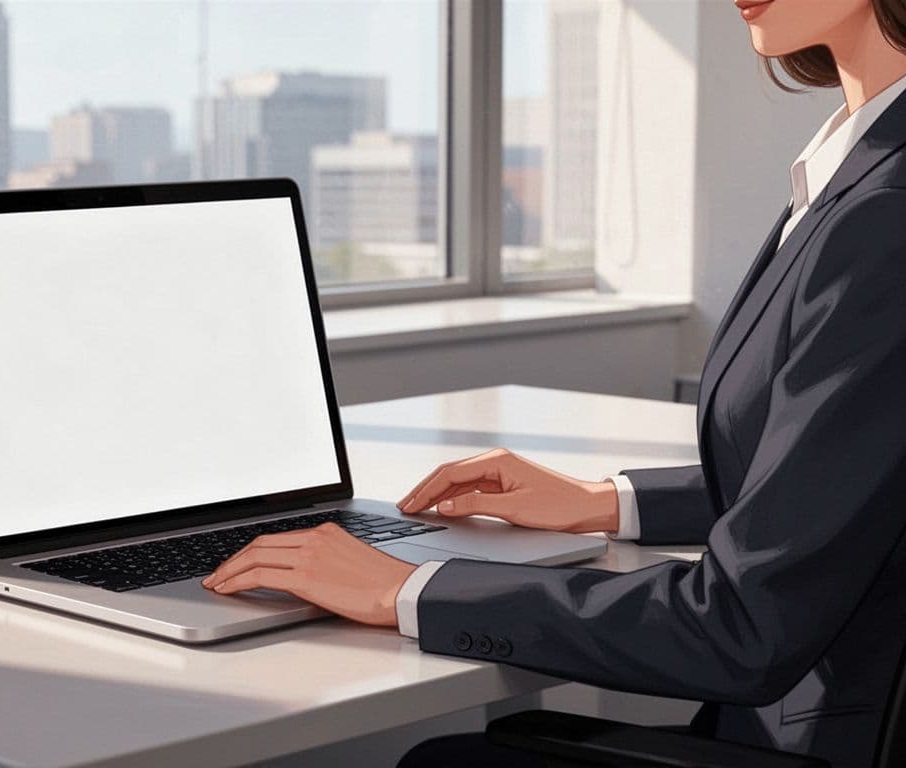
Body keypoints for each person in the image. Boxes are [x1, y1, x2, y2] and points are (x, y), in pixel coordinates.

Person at [202, 1, 906, 765]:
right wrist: (607, 501)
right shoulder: (857, 166)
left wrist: (408, 588)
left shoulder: (883, 215)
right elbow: (842, 483)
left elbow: (739, 629)